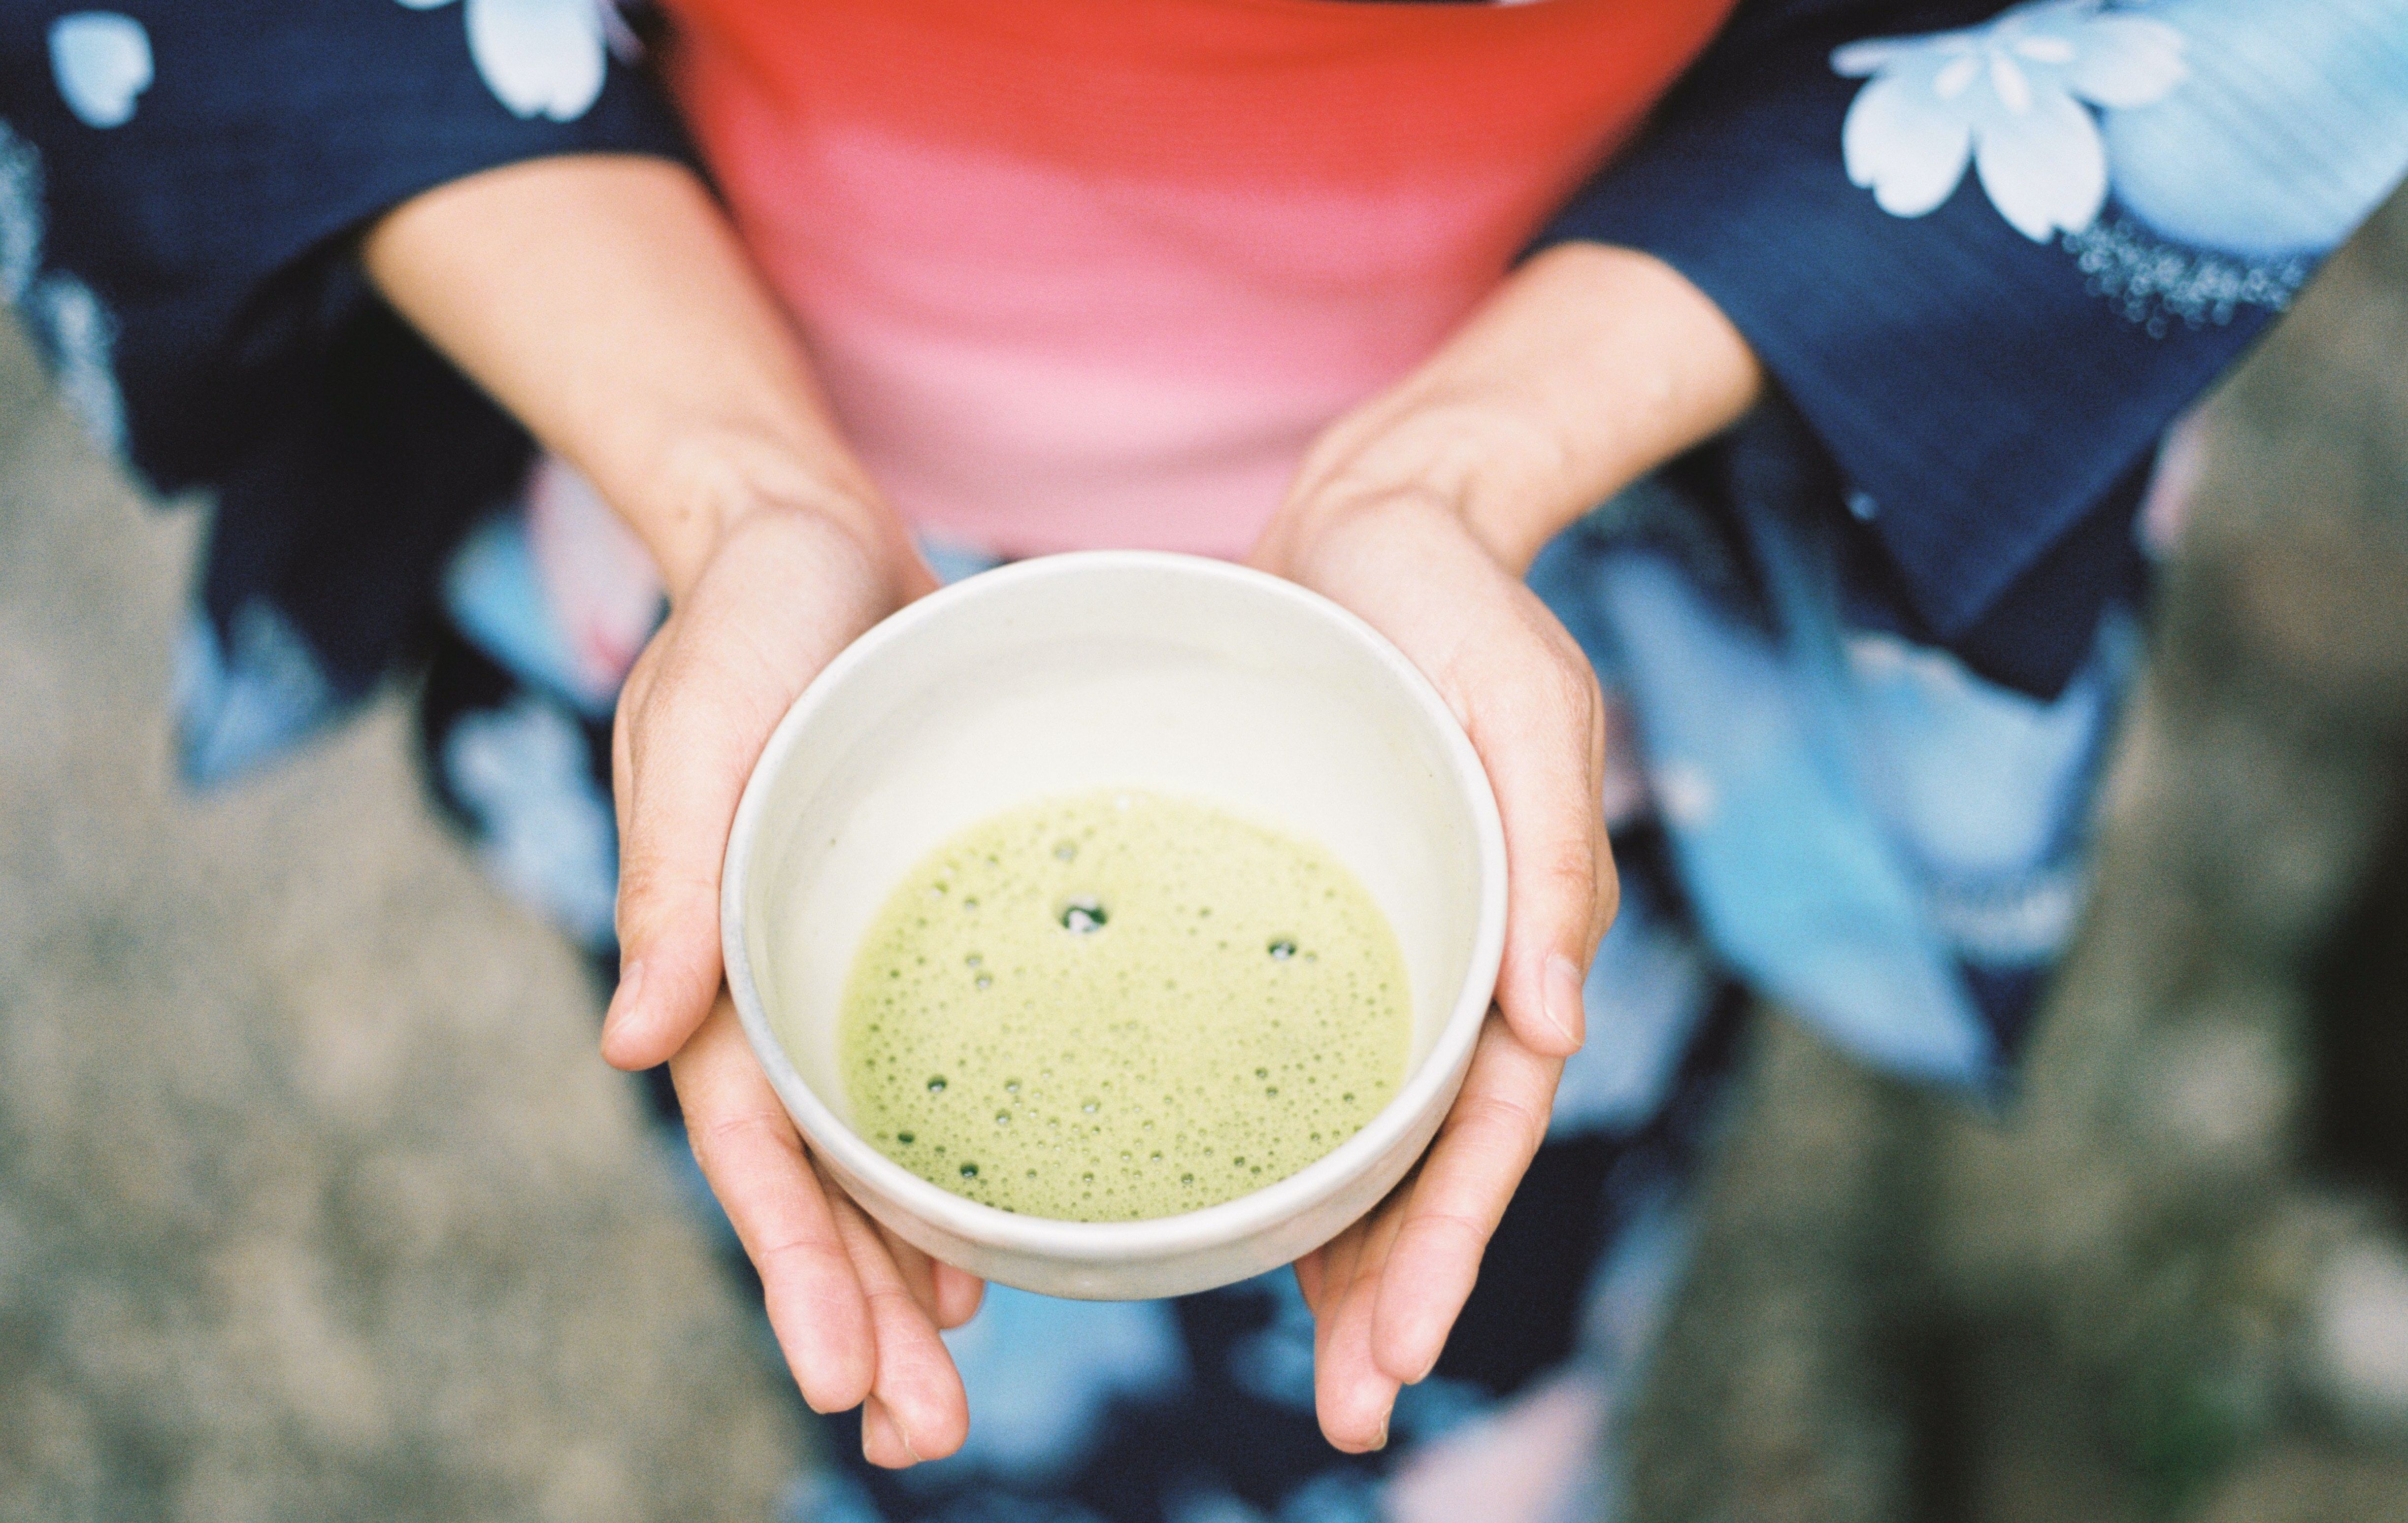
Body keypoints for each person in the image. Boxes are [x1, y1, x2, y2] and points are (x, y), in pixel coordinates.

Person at [6, 1, 2405, 1517]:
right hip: (726, 546)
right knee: (894, 1328)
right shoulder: (734, 577)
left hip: (1556, 613)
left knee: (1467, 1348)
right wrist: (746, 492)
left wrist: (1457, 467)